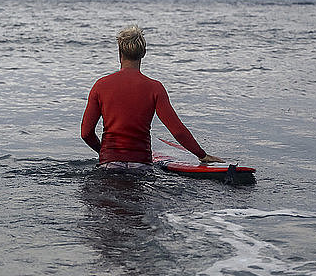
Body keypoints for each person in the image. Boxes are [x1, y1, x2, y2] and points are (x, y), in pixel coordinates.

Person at [81, 25, 224, 170]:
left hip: (109, 164)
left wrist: (105, 153)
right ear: (143, 53)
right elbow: (177, 130)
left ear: (120, 53)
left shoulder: (100, 86)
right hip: (141, 164)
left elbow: (86, 133)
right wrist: (201, 155)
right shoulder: (155, 88)